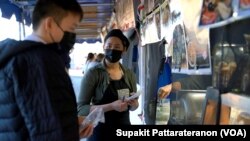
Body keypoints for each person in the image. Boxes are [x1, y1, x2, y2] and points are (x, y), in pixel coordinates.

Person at [0, 0, 93, 140]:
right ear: (49, 24)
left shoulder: (13, 56)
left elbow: (33, 118)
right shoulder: (39, 61)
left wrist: (70, 127)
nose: (72, 35)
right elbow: (49, 130)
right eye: (71, 28)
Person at [77, 29, 139, 141]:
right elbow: (81, 109)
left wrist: (134, 104)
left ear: (124, 50)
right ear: (104, 47)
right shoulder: (93, 73)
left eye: (117, 47)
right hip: (100, 132)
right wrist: (111, 106)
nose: (112, 50)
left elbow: (132, 107)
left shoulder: (129, 74)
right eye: (109, 46)